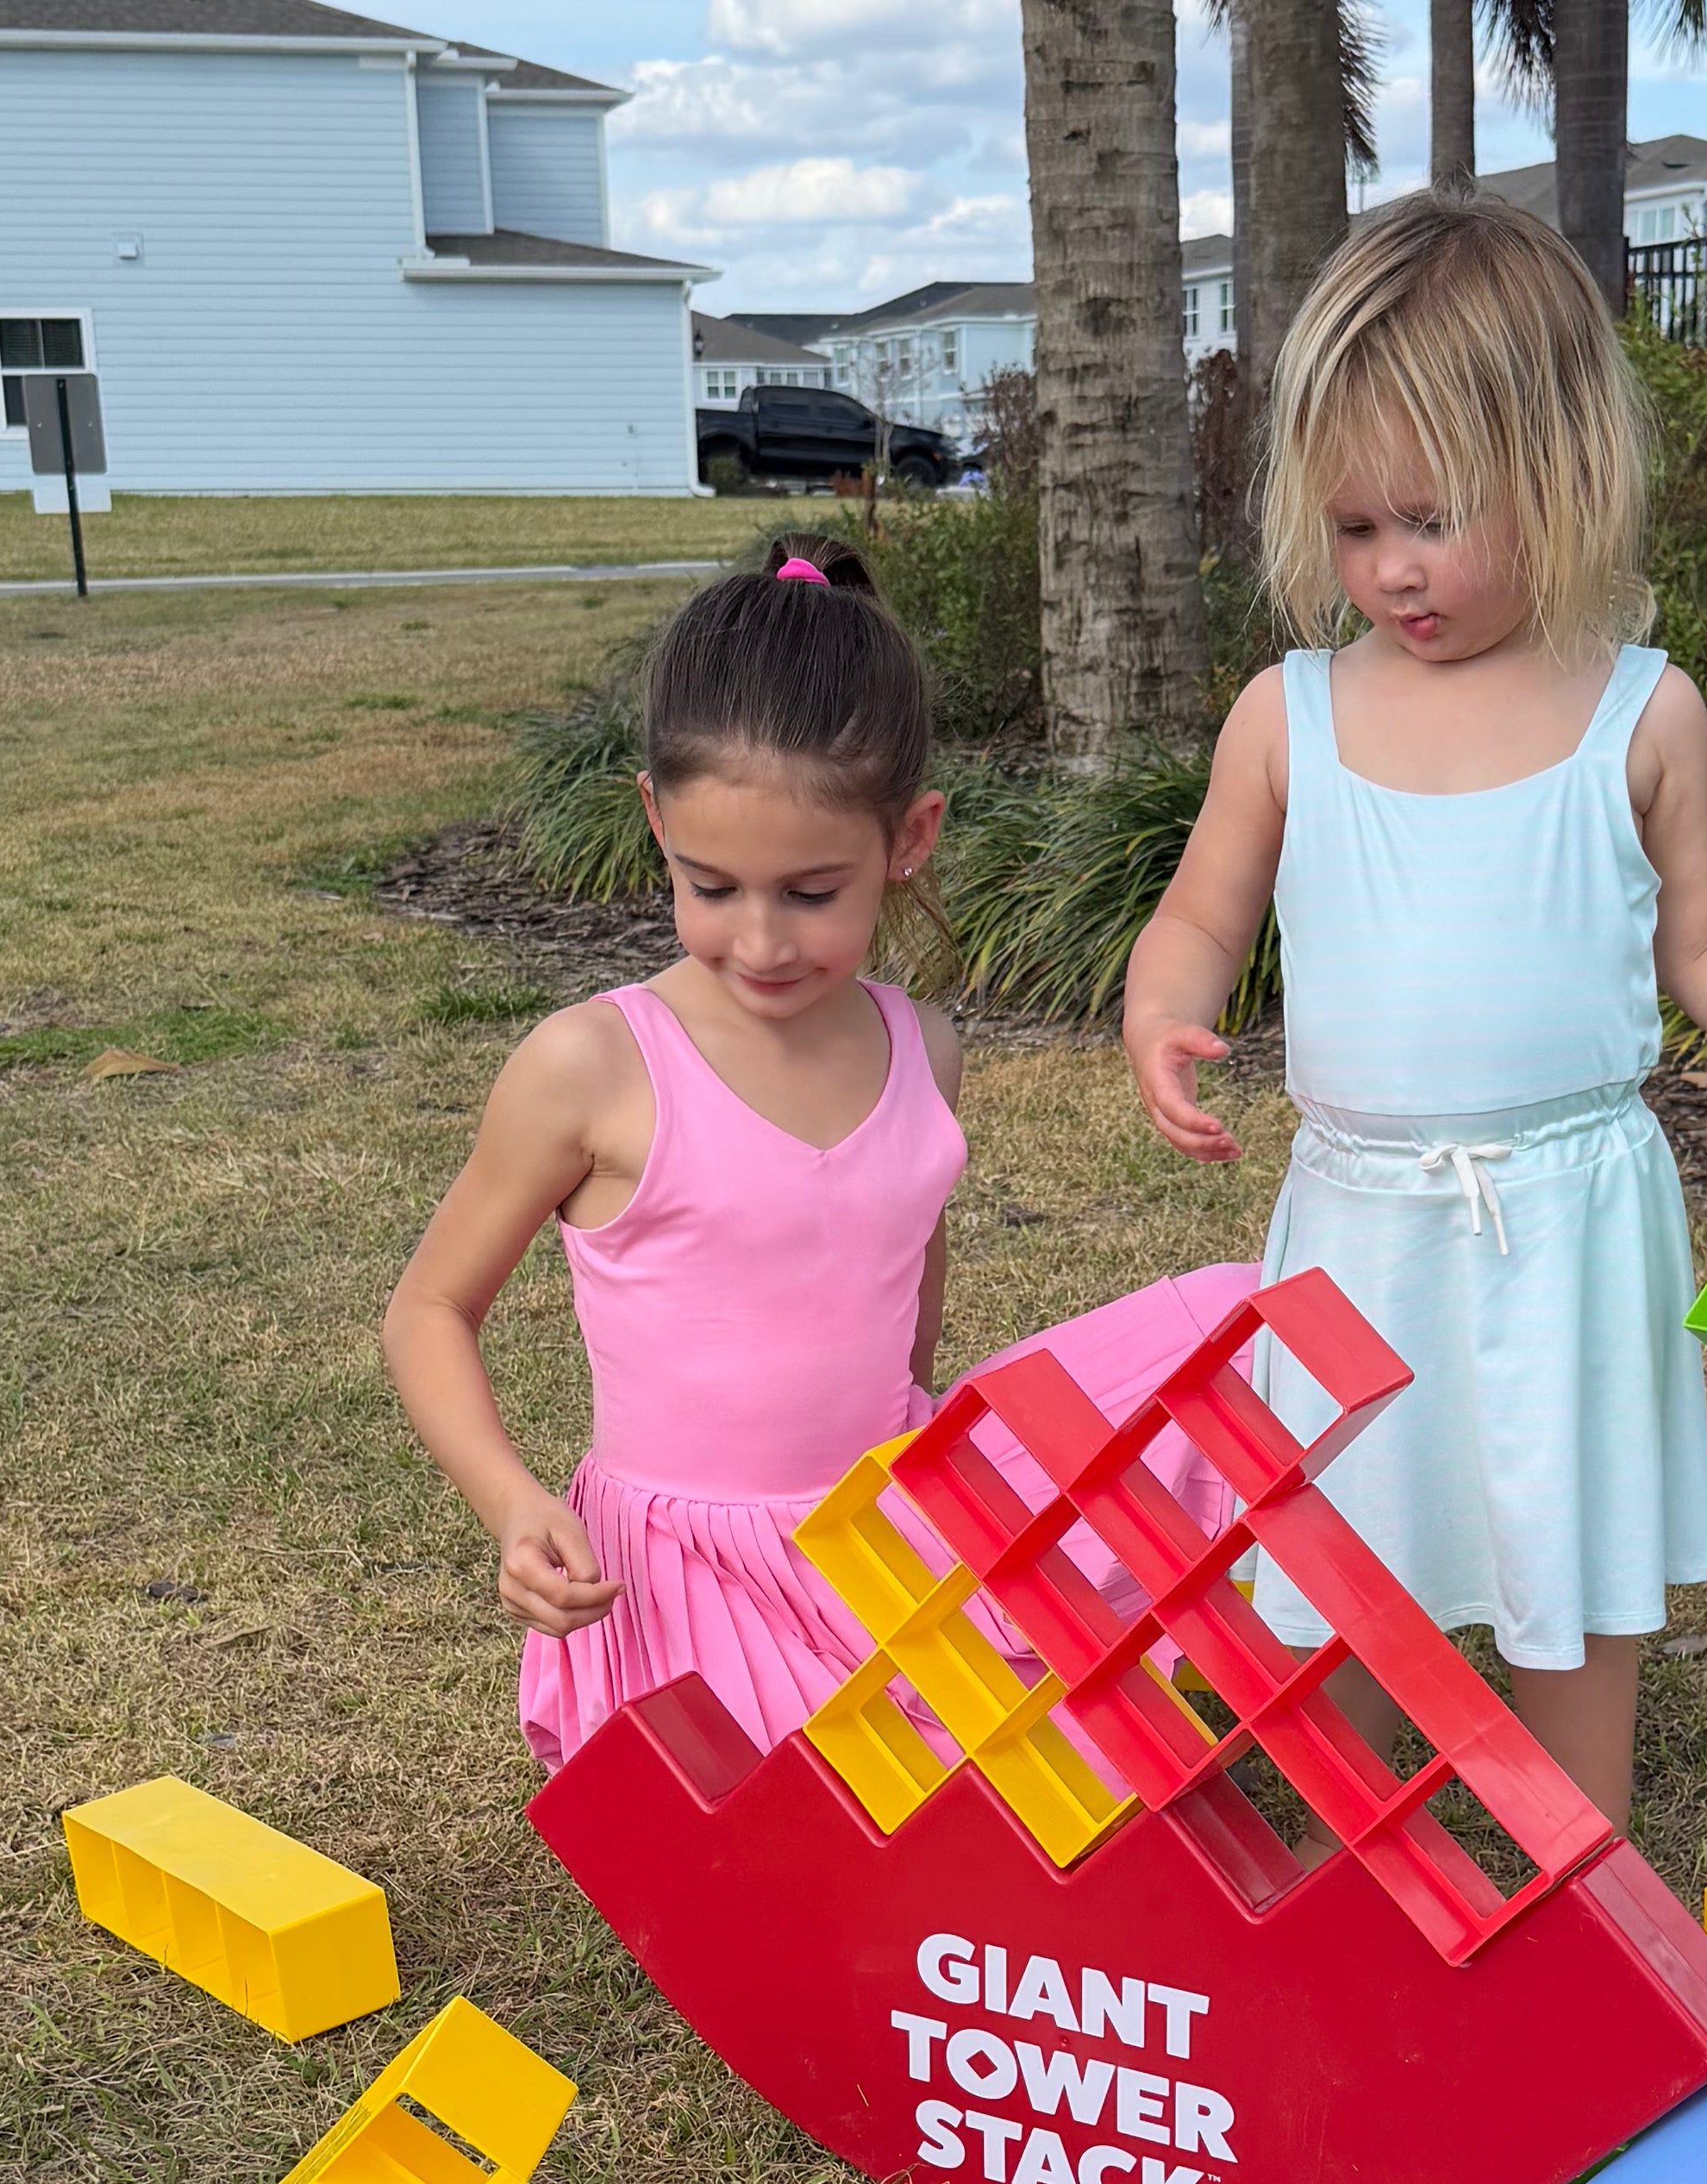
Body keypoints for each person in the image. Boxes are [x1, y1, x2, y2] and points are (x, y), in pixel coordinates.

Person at [1120, 195, 1707, 1830]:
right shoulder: (1288, 716)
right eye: (1356, 527)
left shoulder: (1640, 710)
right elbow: (1203, 911)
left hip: (1568, 1220)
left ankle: (1585, 1860)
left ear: (1557, 471)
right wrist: (1166, 1008)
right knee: (1343, 1553)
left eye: (1433, 518)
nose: (1392, 569)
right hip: (1359, 1219)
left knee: (1574, 1557)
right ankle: (1356, 1850)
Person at [391, 542, 1249, 1772]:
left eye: (809, 894)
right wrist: (514, 1502)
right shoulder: (594, 1065)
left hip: (886, 1530)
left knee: (1237, 1323)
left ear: (910, 837)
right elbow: (429, 1308)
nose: (760, 941)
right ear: (657, 821)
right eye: (712, 887)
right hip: (691, 1576)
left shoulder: (923, 1046)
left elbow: (909, 1266)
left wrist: (932, 1469)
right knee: (837, 1835)